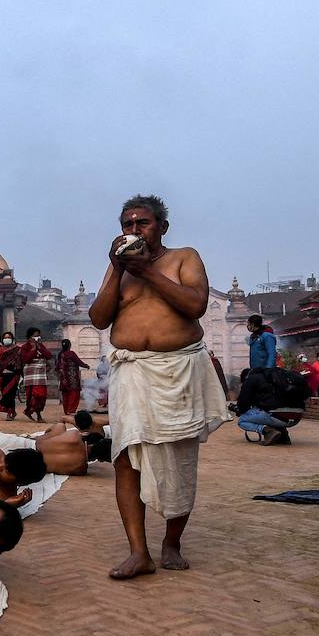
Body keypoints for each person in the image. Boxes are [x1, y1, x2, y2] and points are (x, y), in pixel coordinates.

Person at [88, 194, 228, 580]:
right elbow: (99, 319)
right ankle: (139, 551)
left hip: (177, 371)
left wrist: (147, 270)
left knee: (179, 461)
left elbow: (196, 305)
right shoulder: (118, 268)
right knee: (125, 457)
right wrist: (117, 270)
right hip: (132, 373)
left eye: (142, 224)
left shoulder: (184, 257)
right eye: (127, 225)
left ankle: (171, 542)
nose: (134, 231)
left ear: (161, 227)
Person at [230, 366, 308, 446]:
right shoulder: (278, 376)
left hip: (276, 416)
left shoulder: (252, 378)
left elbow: (243, 403)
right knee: (268, 412)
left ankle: (267, 431)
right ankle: (283, 436)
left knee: (243, 420)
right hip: (297, 418)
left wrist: (238, 409)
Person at [18, 328, 53, 423]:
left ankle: (33, 412)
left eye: (38, 335)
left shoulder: (41, 346)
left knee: (41, 395)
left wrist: (39, 346)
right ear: (30, 337)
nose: (37, 337)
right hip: (30, 374)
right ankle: (37, 415)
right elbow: (26, 359)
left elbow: (49, 356)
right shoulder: (24, 347)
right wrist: (33, 349)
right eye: (35, 335)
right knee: (33, 395)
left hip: (41, 374)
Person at [0, 332, 22, 421]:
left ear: (12, 338)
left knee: (10, 394)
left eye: (9, 337)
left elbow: (20, 362)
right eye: (5, 337)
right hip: (3, 375)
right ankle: (12, 411)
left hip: (14, 375)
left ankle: (10, 413)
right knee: (5, 393)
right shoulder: (1, 350)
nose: (7, 339)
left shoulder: (17, 349)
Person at [54, 338, 90, 415]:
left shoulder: (60, 355)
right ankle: (71, 410)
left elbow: (57, 366)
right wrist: (86, 366)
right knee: (74, 394)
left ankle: (66, 410)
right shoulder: (71, 353)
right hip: (72, 378)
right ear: (69, 345)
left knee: (65, 395)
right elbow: (78, 362)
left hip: (63, 378)